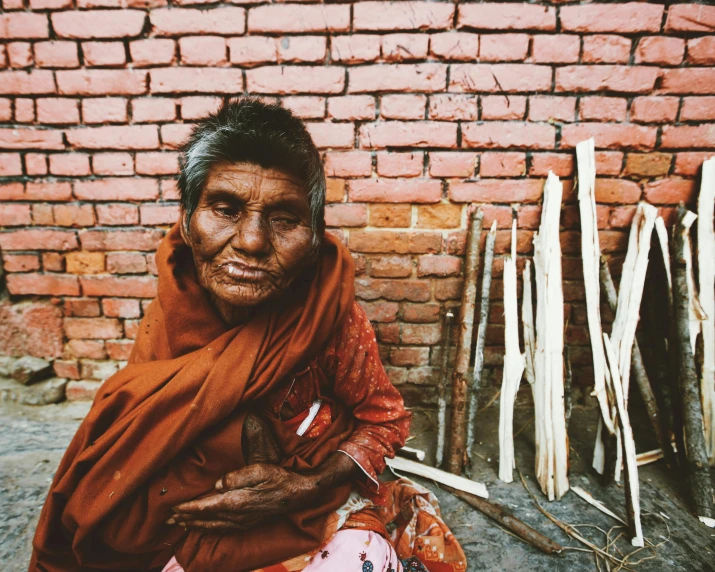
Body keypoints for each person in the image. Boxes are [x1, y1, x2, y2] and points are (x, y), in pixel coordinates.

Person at [30, 99, 466, 572]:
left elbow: (385, 421)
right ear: (188, 223)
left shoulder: (329, 317)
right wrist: (239, 422)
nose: (253, 242)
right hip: (195, 528)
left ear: (315, 237)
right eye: (225, 209)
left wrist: (307, 485)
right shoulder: (172, 309)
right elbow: (143, 439)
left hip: (307, 509)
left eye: (284, 219)